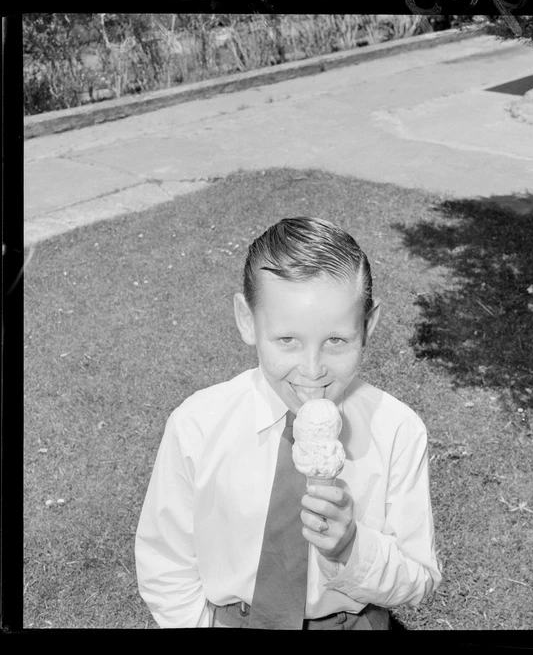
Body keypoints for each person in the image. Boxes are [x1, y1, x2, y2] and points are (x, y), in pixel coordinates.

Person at [135, 216, 442, 629]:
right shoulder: (197, 426)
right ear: (248, 320)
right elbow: (165, 561)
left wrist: (352, 547)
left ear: (367, 326)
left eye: (336, 340)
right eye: (287, 340)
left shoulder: (398, 431)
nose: (312, 370)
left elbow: (418, 580)